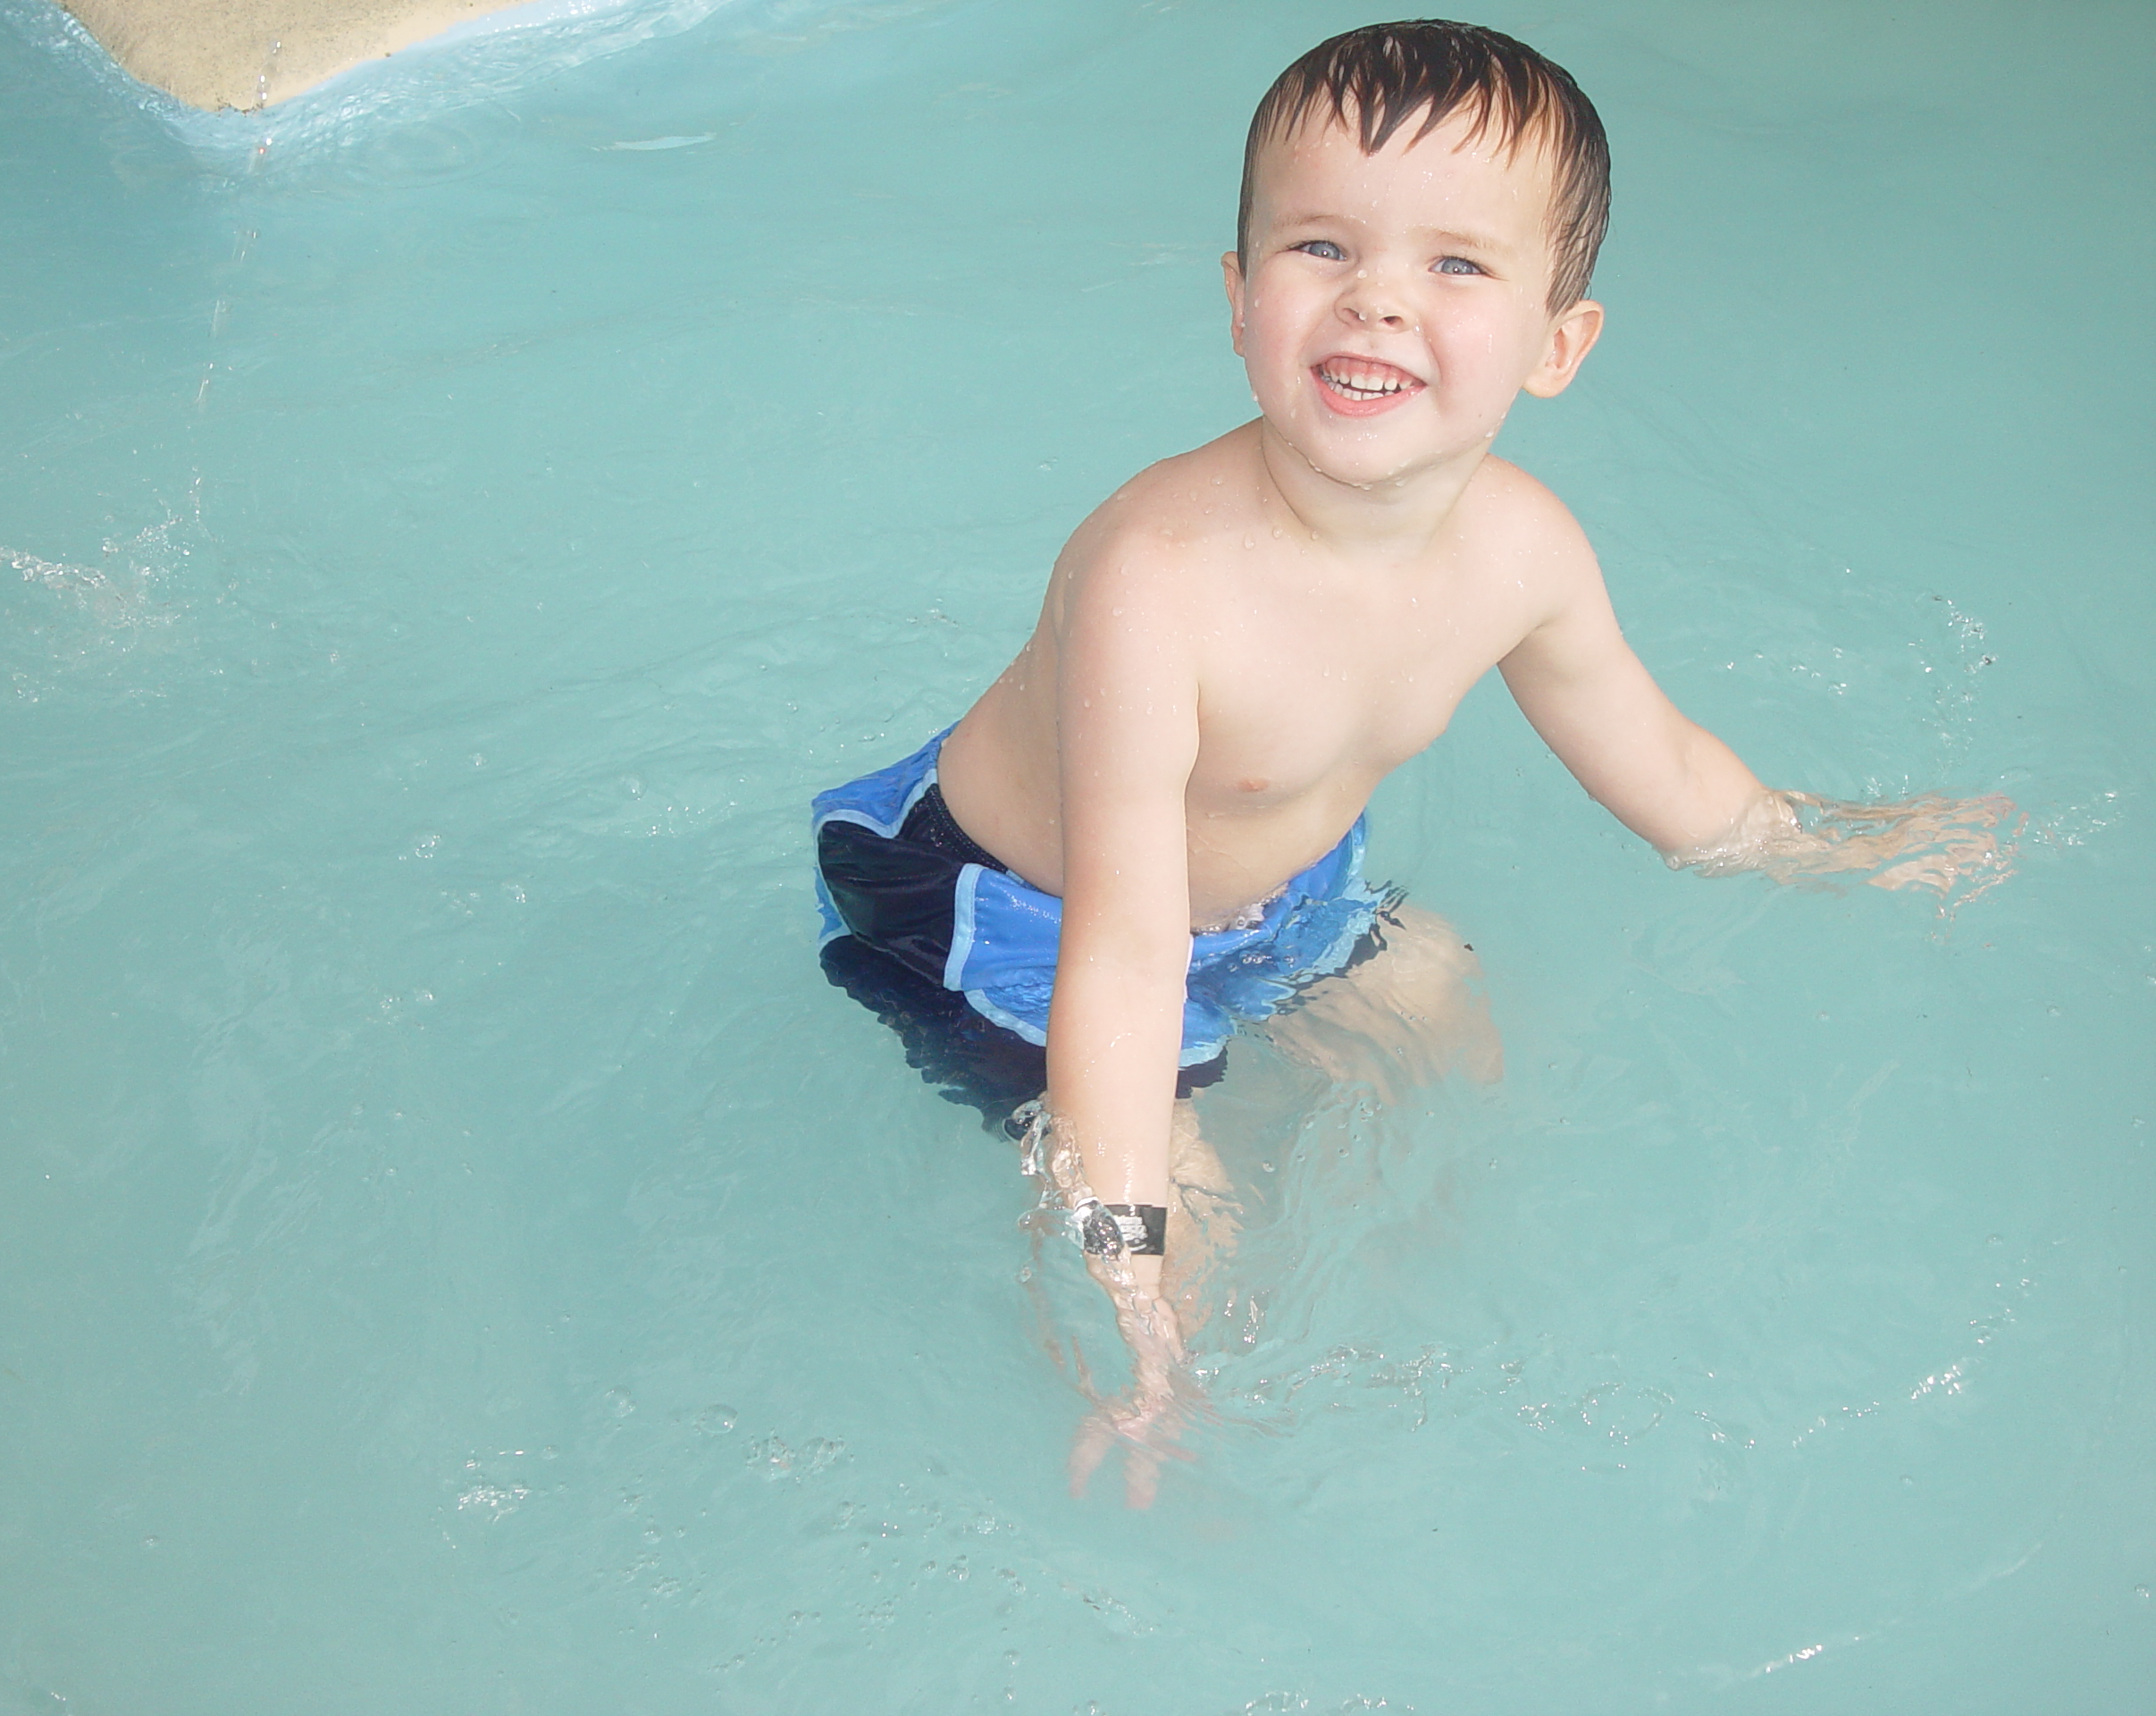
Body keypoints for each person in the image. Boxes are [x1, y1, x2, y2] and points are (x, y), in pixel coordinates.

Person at [810, 20, 2008, 1506]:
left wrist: (1836, 846)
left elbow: (1668, 770)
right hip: (1011, 910)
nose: (1377, 298)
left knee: (1444, 999)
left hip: (1272, 890)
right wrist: (1128, 1279)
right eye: (1321, 245)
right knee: (1184, 1227)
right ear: (1241, 300)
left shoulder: (1523, 552)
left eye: (1457, 264)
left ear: (1559, 343)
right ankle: (1160, 1413)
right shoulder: (1155, 578)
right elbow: (1121, 961)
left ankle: (1427, 1277)